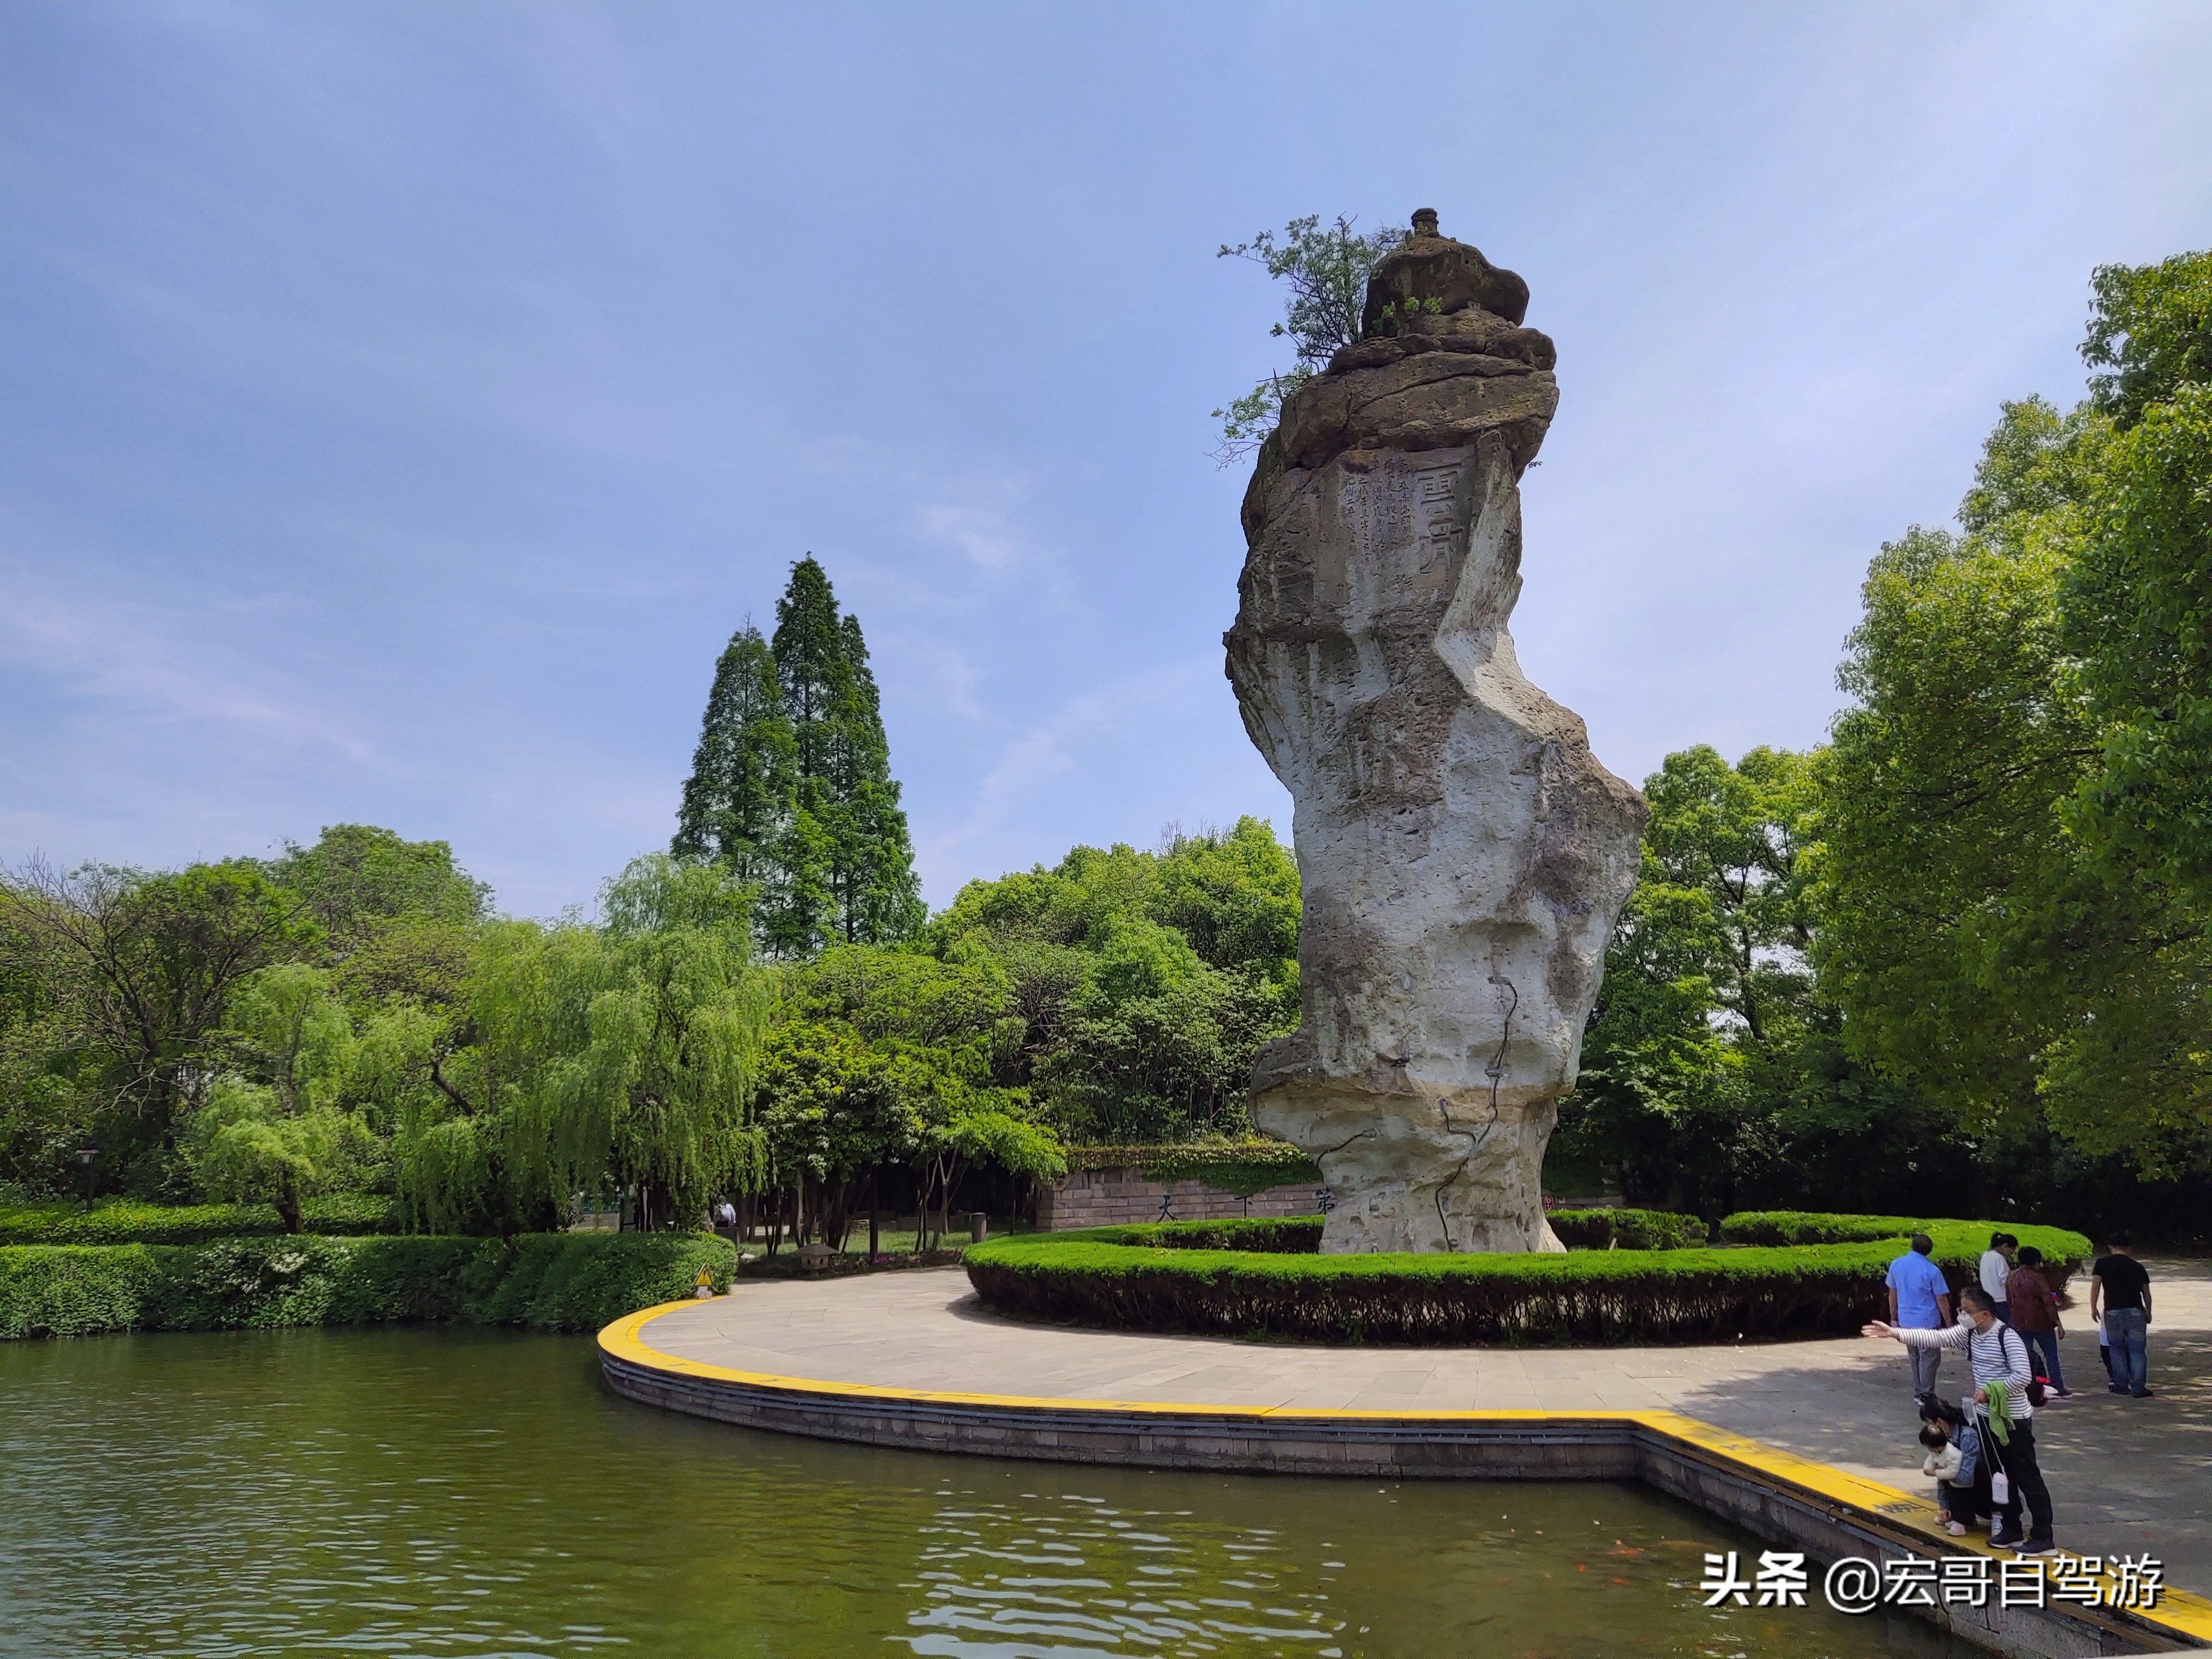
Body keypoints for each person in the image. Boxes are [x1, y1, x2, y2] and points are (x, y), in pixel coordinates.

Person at [1865, 1287, 2055, 1553]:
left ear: (1985, 1314)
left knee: (2026, 1476)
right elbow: (1935, 1337)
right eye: (1961, 1310)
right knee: (2000, 1476)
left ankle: (2044, 1537)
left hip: (2013, 1421)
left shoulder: (2006, 1337)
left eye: (1967, 1311)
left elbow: (2023, 1377)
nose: (1962, 1315)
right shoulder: (1970, 1334)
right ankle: (2011, 1529)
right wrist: (1896, 1333)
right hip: (1986, 1419)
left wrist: (1990, 1390)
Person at [1885, 1233, 1954, 1398]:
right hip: (1927, 1322)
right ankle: (1926, 1392)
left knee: (1914, 1356)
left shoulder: (1896, 1265)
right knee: (1930, 1358)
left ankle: (1919, 1390)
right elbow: (1941, 1298)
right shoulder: (1932, 1270)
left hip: (1906, 1320)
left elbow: (1892, 1293)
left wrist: (1894, 1316)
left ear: (1912, 1246)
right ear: (1929, 1251)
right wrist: (1949, 1323)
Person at [2090, 1234, 2153, 1399]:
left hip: (2113, 1311)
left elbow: (2095, 1287)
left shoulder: (2102, 1264)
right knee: (2137, 1351)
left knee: (2116, 1349)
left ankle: (2121, 1384)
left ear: (2111, 1247)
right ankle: (2139, 1388)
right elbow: (2146, 1292)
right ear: (2129, 1248)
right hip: (2136, 1311)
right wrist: (2148, 1311)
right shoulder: (2137, 1266)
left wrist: (2093, 1308)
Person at [2006, 1245, 2070, 1399]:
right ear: (2036, 1262)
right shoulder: (2038, 1278)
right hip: (2041, 1322)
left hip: (2020, 1322)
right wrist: (2058, 1323)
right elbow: (2048, 1302)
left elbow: (2009, 1300)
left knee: (2023, 1356)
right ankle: (2057, 1386)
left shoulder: (2011, 1277)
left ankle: (2023, 1387)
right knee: (2051, 1355)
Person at [1918, 1412, 1981, 1536]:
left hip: (1971, 1485)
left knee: (1960, 1496)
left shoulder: (1959, 1445)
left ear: (1940, 1422)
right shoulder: (1942, 1446)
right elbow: (1932, 1460)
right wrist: (1944, 1507)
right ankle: (1952, 1516)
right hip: (1955, 1481)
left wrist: (1938, 1473)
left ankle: (1961, 1522)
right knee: (1950, 1488)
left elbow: (1964, 1477)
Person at [1979, 1233, 2017, 1324]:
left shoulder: (1986, 1256)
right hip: (2002, 1300)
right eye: (2011, 1252)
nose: (2011, 1255)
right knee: (2010, 1329)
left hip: (1989, 1300)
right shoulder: (1999, 1259)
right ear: (2005, 1246)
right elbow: (2005, 1280)